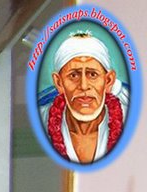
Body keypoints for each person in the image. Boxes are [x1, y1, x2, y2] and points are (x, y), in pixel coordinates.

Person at [42, 31, 128, 165]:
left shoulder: (130, 120)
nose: (83, 86)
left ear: (108, 81)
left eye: (92, 75)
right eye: (73, 75)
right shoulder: (41, 120)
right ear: (59, 83)